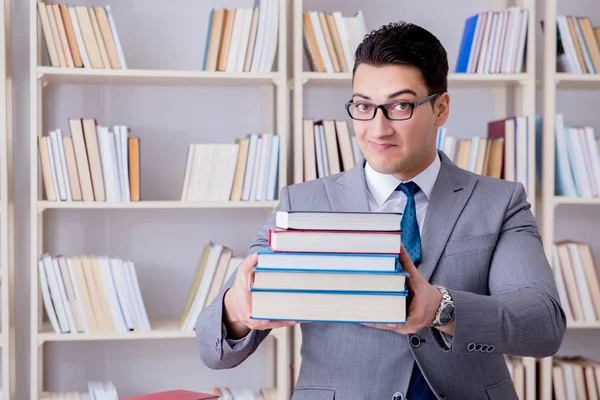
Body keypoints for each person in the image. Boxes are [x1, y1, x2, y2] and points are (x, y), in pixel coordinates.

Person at [195, 21, 566, 400]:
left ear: (441, 108)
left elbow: (542, 324)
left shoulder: (499, 201)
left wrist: (441, 308)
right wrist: (235, 312)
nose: (377, 128)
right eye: (363, 106)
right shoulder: (303, 205)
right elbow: (213, 350)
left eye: (400, 106)